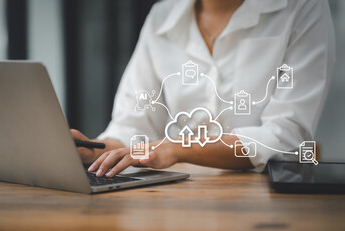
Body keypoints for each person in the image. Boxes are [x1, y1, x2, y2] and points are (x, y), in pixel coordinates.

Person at [71, 0, 335, 178]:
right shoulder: (162, 17)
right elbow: (133, 128)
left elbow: (287, 136)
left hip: (266, 200)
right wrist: (93, 150)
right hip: (176, 199)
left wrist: (179, 147)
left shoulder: (302, 7)